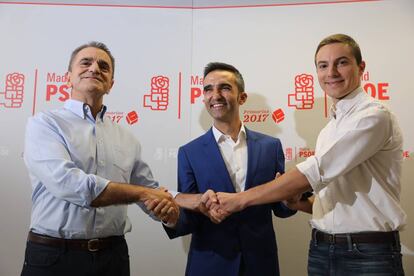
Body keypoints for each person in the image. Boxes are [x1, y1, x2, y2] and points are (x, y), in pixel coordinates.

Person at [213, 34, 406, 275]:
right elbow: (337, 200)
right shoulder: (330, 128)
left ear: (361, 67)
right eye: (323, 66)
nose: (331, 72)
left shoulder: (374, 116)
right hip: (321, 248)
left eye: (342, 62)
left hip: (368, 254)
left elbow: (316, 171)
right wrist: (300, 203)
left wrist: (239, 199)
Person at [21, 41, 179, 276]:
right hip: (54, 257)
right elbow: (70, 184)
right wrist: (144, 193)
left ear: (111, 84)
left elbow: (149, 190)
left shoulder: (126, 138)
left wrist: (169, 212)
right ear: (68, 78)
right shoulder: (45, 124)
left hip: (113, 258)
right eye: (86, 63)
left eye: (103, 66)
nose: (95, 68)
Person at [161, 62, 296, 276]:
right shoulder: (189, 152)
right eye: (208, 89)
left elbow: (280, 209)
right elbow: (190, 214)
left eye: (224, 87)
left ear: (241, 97)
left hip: (260, 264)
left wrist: (290, 200)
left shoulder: (271, 147)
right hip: (209, 264)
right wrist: (170, 217)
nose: (215, 95)